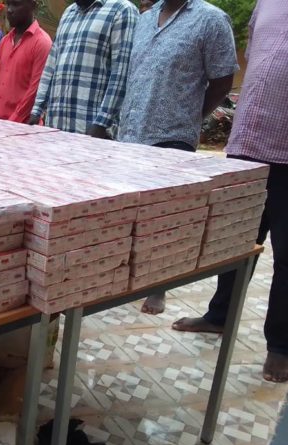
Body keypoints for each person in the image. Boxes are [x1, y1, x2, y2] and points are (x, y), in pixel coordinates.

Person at [173, 0, 288, 383]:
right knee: (236, 241)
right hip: (248, 143)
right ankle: (219, 316)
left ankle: (281, 346)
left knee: (287, 257)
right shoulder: (267, 3)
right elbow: (255, 55)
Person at [118, 0, 237, 315]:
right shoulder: (145, 19)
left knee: (164, 216)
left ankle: (159, 286)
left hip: (173, 136)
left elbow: (223, 80)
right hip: (132, 133)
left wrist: (192, 117)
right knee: (131, 211)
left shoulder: (211, 20)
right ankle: (124, 276)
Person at [28, 0, 138, 138]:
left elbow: (121, 73)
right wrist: (37, 110)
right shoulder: (69, 12)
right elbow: (51, 64)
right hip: (55, 127)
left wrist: (101, 123)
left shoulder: (122, 10)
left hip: (93, 131)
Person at [0, 0, 52, 123]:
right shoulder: (4, 41)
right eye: (8, 4)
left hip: (24, 126)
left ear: (32, 6)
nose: (9, 10)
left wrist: (13, 121)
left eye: (16, 4)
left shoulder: (42, 43)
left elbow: (35, 90)